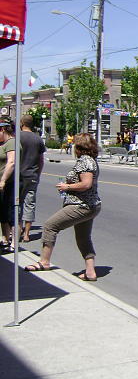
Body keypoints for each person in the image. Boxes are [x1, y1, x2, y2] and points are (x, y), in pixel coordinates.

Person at [25, 133, 102, 281]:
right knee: (83, 238)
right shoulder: (89, 160)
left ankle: (44, 261)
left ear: (79, 146)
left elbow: (86, 184)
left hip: (81, 205)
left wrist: (67, 186)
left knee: (50, 226)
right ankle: (90, 271)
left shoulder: (85, 161)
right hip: (90, 205)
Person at [19, 114, 46, 243]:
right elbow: (41, 161)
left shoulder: (16, 137)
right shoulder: (38, 139)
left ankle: (17, 231)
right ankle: (27, 234)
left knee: (17, 203)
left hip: (18, 176)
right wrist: (38, 174)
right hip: (32, 176)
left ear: (22, 123)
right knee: (30, 204)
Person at [0, 119, 16, 252]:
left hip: (10, 184)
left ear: (3, 130)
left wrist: (3, 180)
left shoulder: (11, 142)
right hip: (5, 184)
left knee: (11, 212)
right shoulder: (5, 143)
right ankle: (5, 239)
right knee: (4, 212)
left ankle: (12, 242)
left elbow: (11, 162)